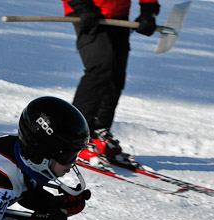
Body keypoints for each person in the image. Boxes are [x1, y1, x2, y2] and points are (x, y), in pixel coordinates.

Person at [64, 0, 160, 166]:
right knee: (100, 69)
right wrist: (83, 7)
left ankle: (99, 132)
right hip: (89, 14)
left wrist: (148, 12)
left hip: (119, 16)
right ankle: (76, 137)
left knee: (116, 75)